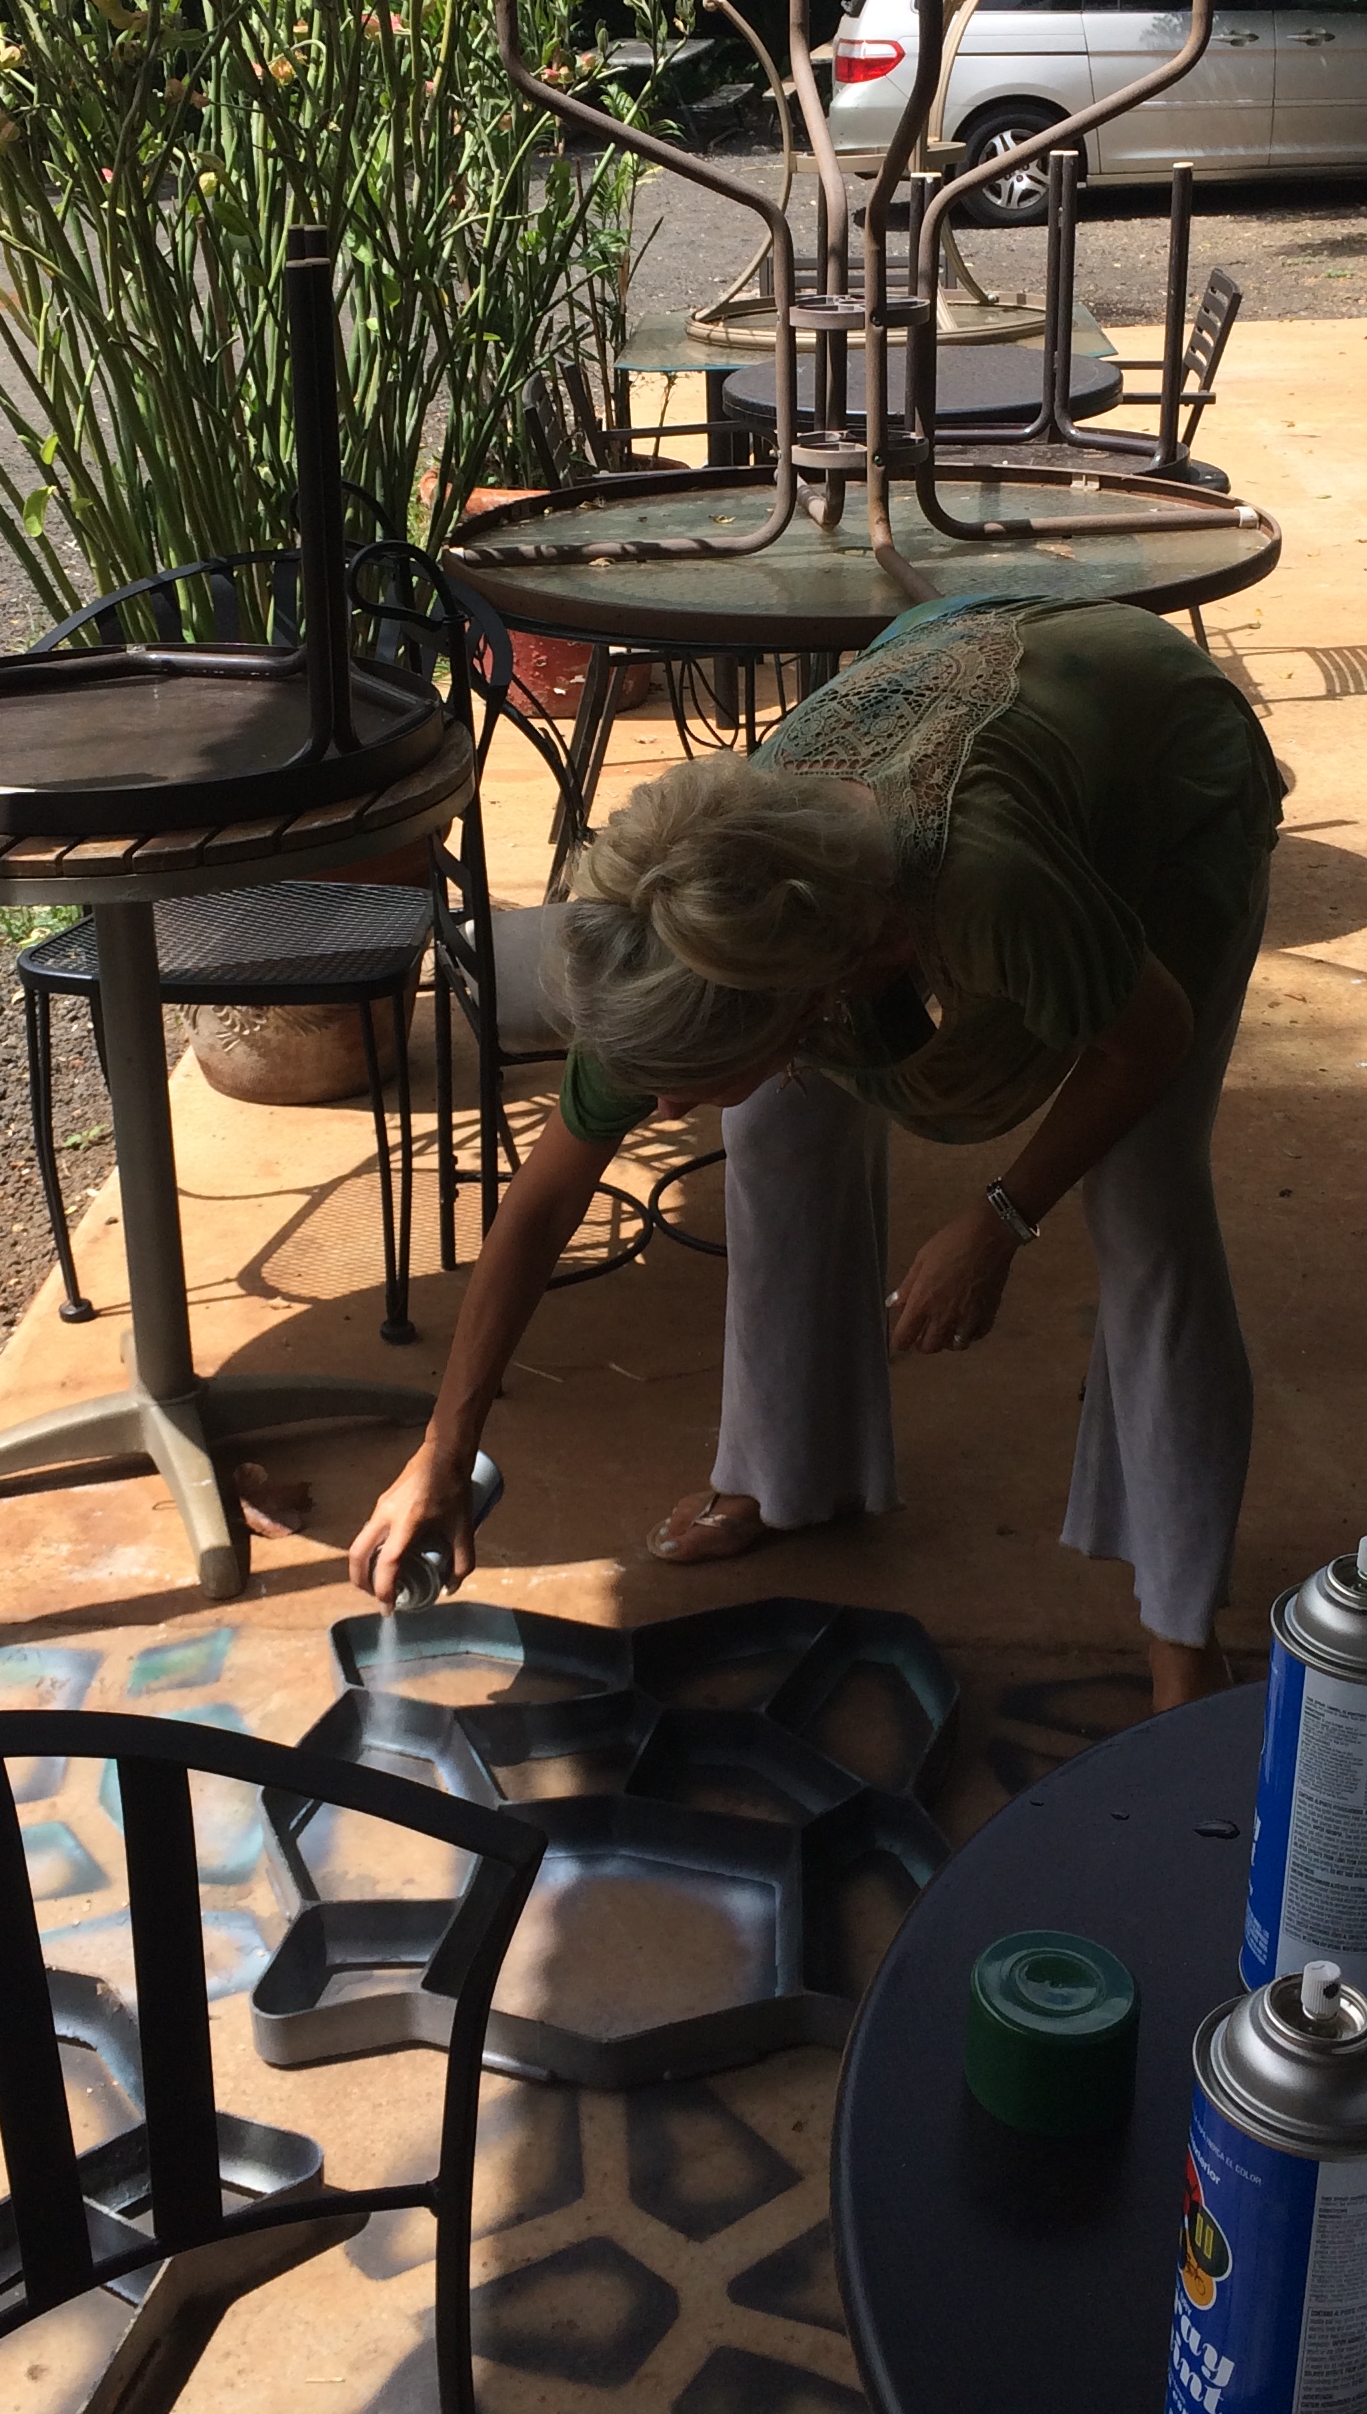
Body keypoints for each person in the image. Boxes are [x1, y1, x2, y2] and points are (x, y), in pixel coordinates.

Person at [349, 595, 1284, 1711]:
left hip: (1165, 758)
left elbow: (1149, 1042)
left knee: (1144, 1194)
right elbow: (546, 1202)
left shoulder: (985, 886)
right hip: (956, 691)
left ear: (800, 1009)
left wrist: (1000, 1217)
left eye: (683, 1084)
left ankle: (1181, 1623)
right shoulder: (679, 931)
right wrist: (443, 1449)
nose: (659, 1109)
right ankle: (786, 1476)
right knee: (774, 1122)